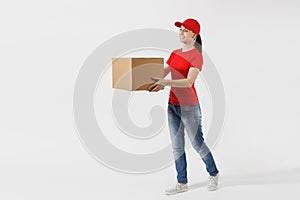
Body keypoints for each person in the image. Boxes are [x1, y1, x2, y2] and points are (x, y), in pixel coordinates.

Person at [149, 18, 220, 195]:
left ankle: (214, 173)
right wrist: (151, 83)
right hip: (172, 105)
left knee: (198, 144)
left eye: (185, 30)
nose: (181, 33)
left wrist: (164, 81)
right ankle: (182, 183)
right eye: (180, 30)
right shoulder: (174, 53)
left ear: (194, 35)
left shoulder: (197, 56)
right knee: (177, 146)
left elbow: (188, 82)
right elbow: (162, 74)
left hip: (189, 107)